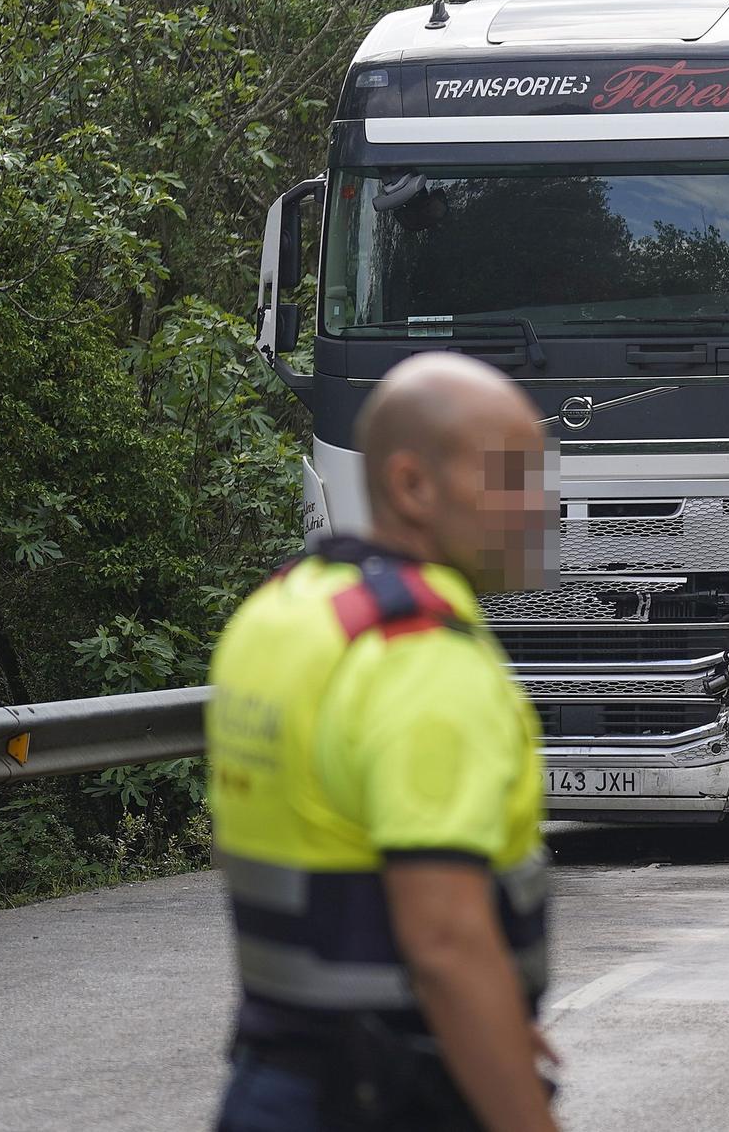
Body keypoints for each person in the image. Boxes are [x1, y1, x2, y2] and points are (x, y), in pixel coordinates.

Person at [206, 352, 561, 1131]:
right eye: (513, 477)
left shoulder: (284, 609)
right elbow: (444, 944)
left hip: (272, 1080)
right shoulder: (422, 657)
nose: (544, 506)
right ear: (411, 485)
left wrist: (491, 1018)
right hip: (394, 1098)